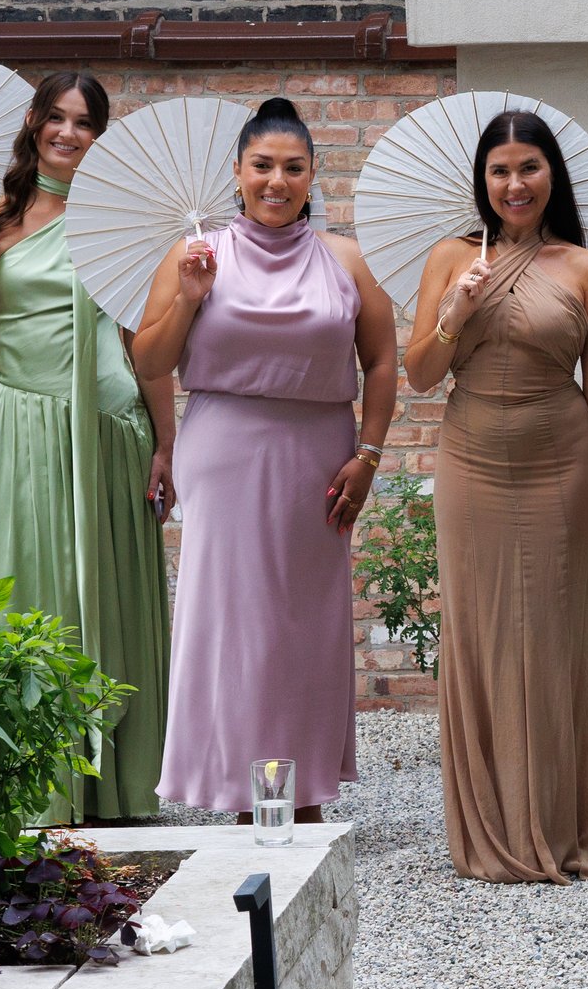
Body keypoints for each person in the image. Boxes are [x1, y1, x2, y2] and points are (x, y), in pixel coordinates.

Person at [0, 72, 174, 823]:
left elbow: (141, 344)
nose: (68, 133)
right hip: (26, 430)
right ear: (33, 122)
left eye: (85, 122)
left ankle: (118, 789)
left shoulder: (119, 218)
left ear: (101, 134)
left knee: (113, 597)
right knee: (31, 595)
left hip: (109, 425)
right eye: (57, 118)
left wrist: (167, 443)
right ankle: (33, 783)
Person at [132, 98, 397, 820]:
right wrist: (188, 299)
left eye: (293, 167)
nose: (276, 180)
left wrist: (368, 453)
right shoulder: (197, 253)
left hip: (318, 456)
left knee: (304, 625)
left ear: (313, 176)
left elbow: (380, 359)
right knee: (235, 625)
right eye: (262, 166)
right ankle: (245, 794)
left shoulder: (345, 258)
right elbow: (149, 358)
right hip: (223, 451)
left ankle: (302, 790)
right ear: (238, 172)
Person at [404, 109, 588, 883]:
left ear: (552, 176)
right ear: (483, 179)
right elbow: (416, 374)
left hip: (560, 463)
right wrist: (451, 316)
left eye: (529, 168)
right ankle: (491, 826)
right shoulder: (450, 256)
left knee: (551, 635)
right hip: (471, 459)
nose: (515, 183)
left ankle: (561, 822)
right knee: (477, 633)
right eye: (500, 169)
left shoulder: (587, 269)